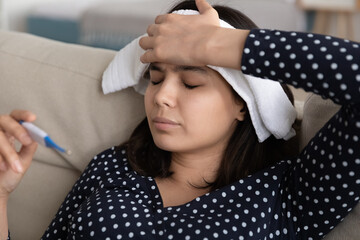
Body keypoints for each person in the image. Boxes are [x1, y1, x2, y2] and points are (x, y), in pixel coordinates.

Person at [0, 0, 359, 239]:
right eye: (155, 79)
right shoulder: (111, 168)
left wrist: (221, 46)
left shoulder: (287, 195)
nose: (162, 96)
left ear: (243, 104)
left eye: (191, 82)